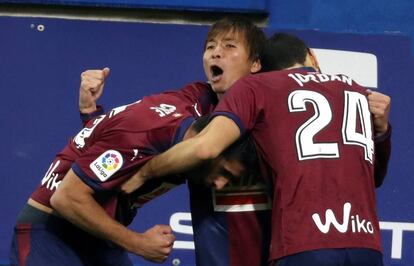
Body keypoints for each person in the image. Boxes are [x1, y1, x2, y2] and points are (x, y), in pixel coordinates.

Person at [125, 32, 392, 266]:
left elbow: (205, 147)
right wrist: (382, 132)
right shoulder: (354, 89)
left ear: (260, 68)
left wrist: (146, 172)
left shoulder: (259, 87)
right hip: (365, 244)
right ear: (311, 56)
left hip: (302, 243)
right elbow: (375, 177)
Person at [10, 77, 258, 265]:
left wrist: (93, 117)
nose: (221, 184)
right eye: (224, 172)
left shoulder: (195, 109)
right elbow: (66, 198)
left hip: (98, 238)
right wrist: (138, 243)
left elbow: (114, 151)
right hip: (52, 235)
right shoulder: (147, 134)